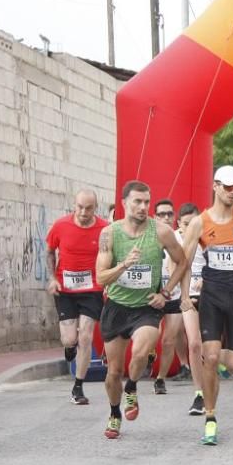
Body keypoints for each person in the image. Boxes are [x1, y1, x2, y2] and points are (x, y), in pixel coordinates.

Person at [179, 166, 233, 445]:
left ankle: (213, 380)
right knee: (212, 357)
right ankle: (210, 416)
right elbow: (184, 262)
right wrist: (184, 295)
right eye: (227, 187)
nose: (232, 192)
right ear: (215, 186)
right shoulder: (200, 223)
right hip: (212, 296)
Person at [96, 180, 186, 439]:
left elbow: (182, 262)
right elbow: (101, 278)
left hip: (146, 307)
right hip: (116, 307)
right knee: (113, 373)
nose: (143, 207)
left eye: (147, 202)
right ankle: (114, 414)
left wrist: (166, 292)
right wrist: (124, 264)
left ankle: (132, 388)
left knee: (141, 350)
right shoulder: (110, 234)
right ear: (124, 203)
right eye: (137, 201)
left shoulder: (161, 232)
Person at [45, 189, 108, 405]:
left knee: (86, 337)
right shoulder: (61, 226)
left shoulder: (104, 229)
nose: (83, 212)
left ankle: (78, 387)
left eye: (88, 208)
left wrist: (107, 282)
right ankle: (69, 347)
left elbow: (111, 256)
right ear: (74, 205)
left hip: (92, 289)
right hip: (66, 290)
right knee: (70, 339)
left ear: (95, 208)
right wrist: (52, 278)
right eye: (80, 207)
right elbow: (49, 251)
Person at [152, 198, 189, 395]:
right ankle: (149, 353)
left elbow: (186, 266)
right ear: (154, 217)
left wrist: (183, 293)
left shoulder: (181, 238)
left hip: (173, 296)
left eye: (169, 214)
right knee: (152, 336)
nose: (166, 217)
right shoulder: (149, 237)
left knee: (169, 340)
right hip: (152, 297)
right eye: (161, 214)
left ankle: (160, 379)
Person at [177, 203, 207, 415]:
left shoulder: (208, 240)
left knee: (211, 347)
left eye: (193, 224)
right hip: (187, 296)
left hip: (211, 294)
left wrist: (205, 280)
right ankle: (199, 394)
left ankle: (211, 381)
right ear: (179, 224)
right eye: (186, 224)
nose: (190, 228)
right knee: (194, 343)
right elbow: (173, 266)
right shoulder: (174, 240)